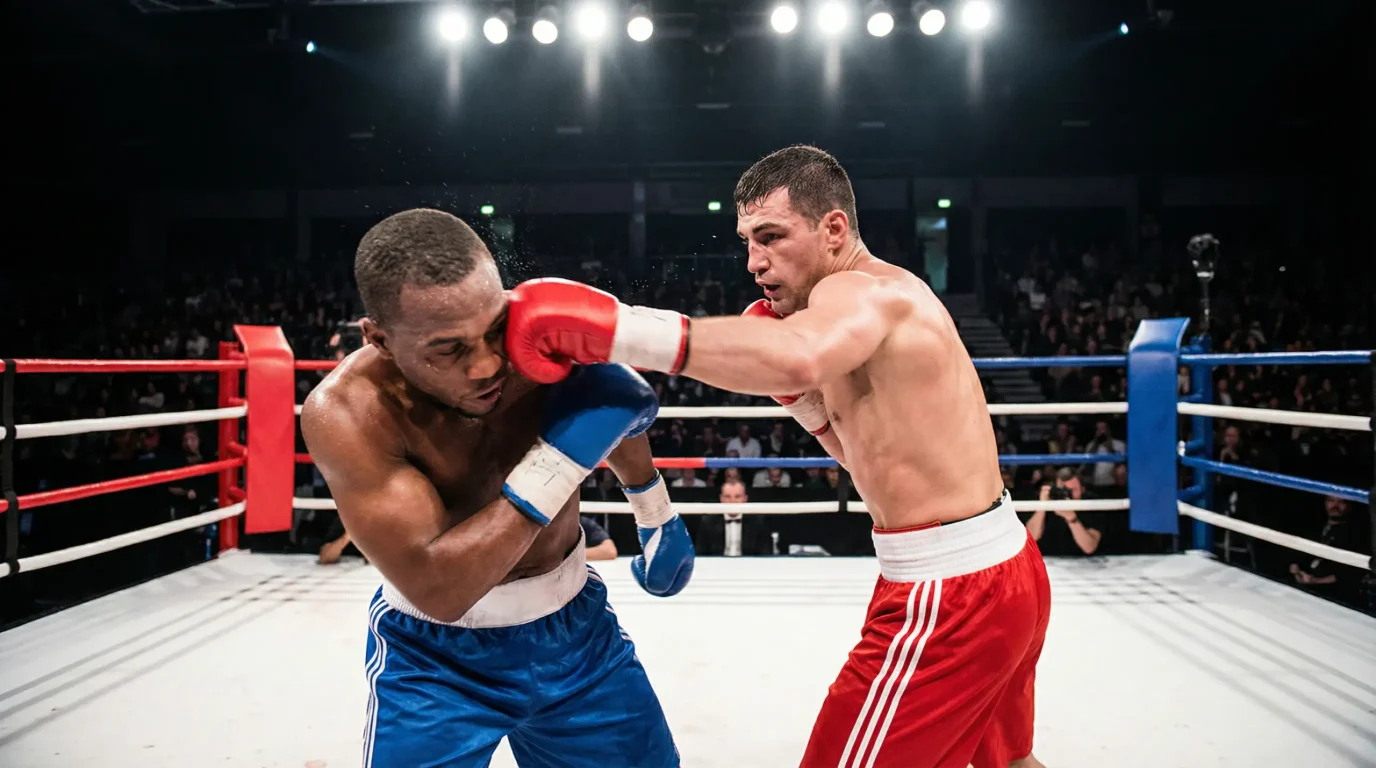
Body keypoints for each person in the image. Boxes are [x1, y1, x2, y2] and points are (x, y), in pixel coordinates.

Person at [504, 146, 1050, 768]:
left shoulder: (862, 292)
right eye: (746, 241)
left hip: (952, 593)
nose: (753, 262)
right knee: (1005, 763)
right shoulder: (863, 308)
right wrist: (808, 408)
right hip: (997, 567)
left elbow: (797, 355)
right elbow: (867, 457)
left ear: (834, 228)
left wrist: (615, 328)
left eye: (771, 237)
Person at [300, 209, 694, 768]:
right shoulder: (349, 413)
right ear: (380, 339)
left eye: (492, 332)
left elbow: (607, 401)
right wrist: (559, 461)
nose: (487, 365)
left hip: (579, 636)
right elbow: (441, 588)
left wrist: (655, 512)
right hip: (434, 663)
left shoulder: (539, 332)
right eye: (449, 349)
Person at [1023, 468, 1105, 556]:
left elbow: (1089, 547)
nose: (1068, 494)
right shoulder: (1044, 499)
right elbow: (1030, 539)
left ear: (1083, 489)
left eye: (1073, 490)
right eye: (1064, 490)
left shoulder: (1091, 504)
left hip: (1081, 561)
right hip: (1048, 561)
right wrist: (1042, 507)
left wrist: (1072, 519)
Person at [696, 479, 774, 556]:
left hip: (749, 566)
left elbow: (765, 554)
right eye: (727, 496)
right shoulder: (708, 522)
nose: (732, 501)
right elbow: (701, 555)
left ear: (745, 499)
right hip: (717, 566)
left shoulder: (757, 522)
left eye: (737, 496)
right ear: (721, 499)